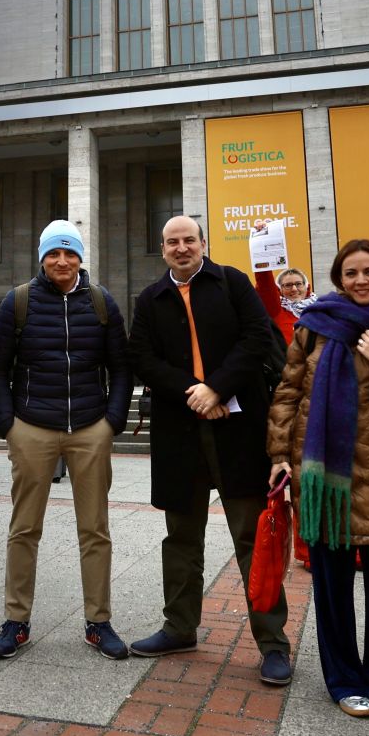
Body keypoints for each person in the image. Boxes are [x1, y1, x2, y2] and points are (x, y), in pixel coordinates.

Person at [266, 239, 369, 719]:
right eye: (351, 272)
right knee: (332, 590)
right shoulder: (312, 329)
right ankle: (342, 678)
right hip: (322, 480)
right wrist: (278, 453)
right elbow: (287, 393)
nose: (361, 280)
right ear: (339, 278)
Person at [127, 215, 291, 685]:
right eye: (172, 242)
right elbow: (140, 356)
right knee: (180, 538)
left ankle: (273, 643)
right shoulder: (151, 298)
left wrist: (217, 389)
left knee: (251, 537)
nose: (181, 248)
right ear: (163, 249)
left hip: (239, 431)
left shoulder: (232, 283)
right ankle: (179, 627)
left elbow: (258, 338)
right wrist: (194, 393)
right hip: (181, 434)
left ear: (204, 244)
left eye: (189, 240)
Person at [0, 219, 134, 662]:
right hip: (32, 427)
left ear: (80, 257)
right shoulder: (19, 301)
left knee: (95, 530)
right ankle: (16, 620)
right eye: (53, 253)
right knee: (24, 528)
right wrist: (7, 424)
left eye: (69, 253)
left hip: (90, 427)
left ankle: (98, 622)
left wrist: (113, 422)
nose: (62, 261)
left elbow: (122, 367)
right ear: (42, 258)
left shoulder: (102, 302)